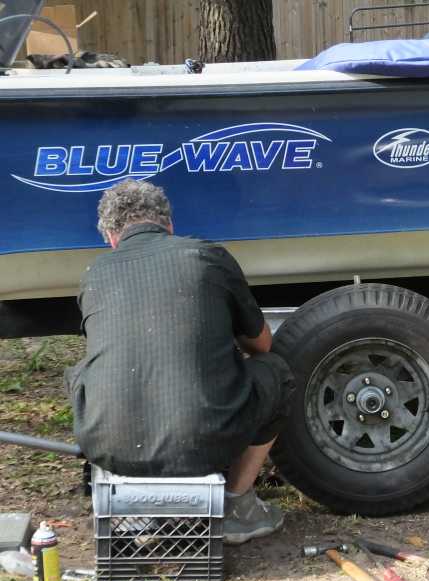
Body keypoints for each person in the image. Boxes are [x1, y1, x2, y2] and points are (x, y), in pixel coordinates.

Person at [65, 179, 296, 545]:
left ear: (110, 236)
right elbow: (262, 345)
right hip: (205, 442)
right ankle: (237, 504)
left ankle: (130, 508)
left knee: (82, 373)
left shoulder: (94, 275)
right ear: (169, 225)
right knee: (276, 373)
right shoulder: (207, 257)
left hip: (108, 447)